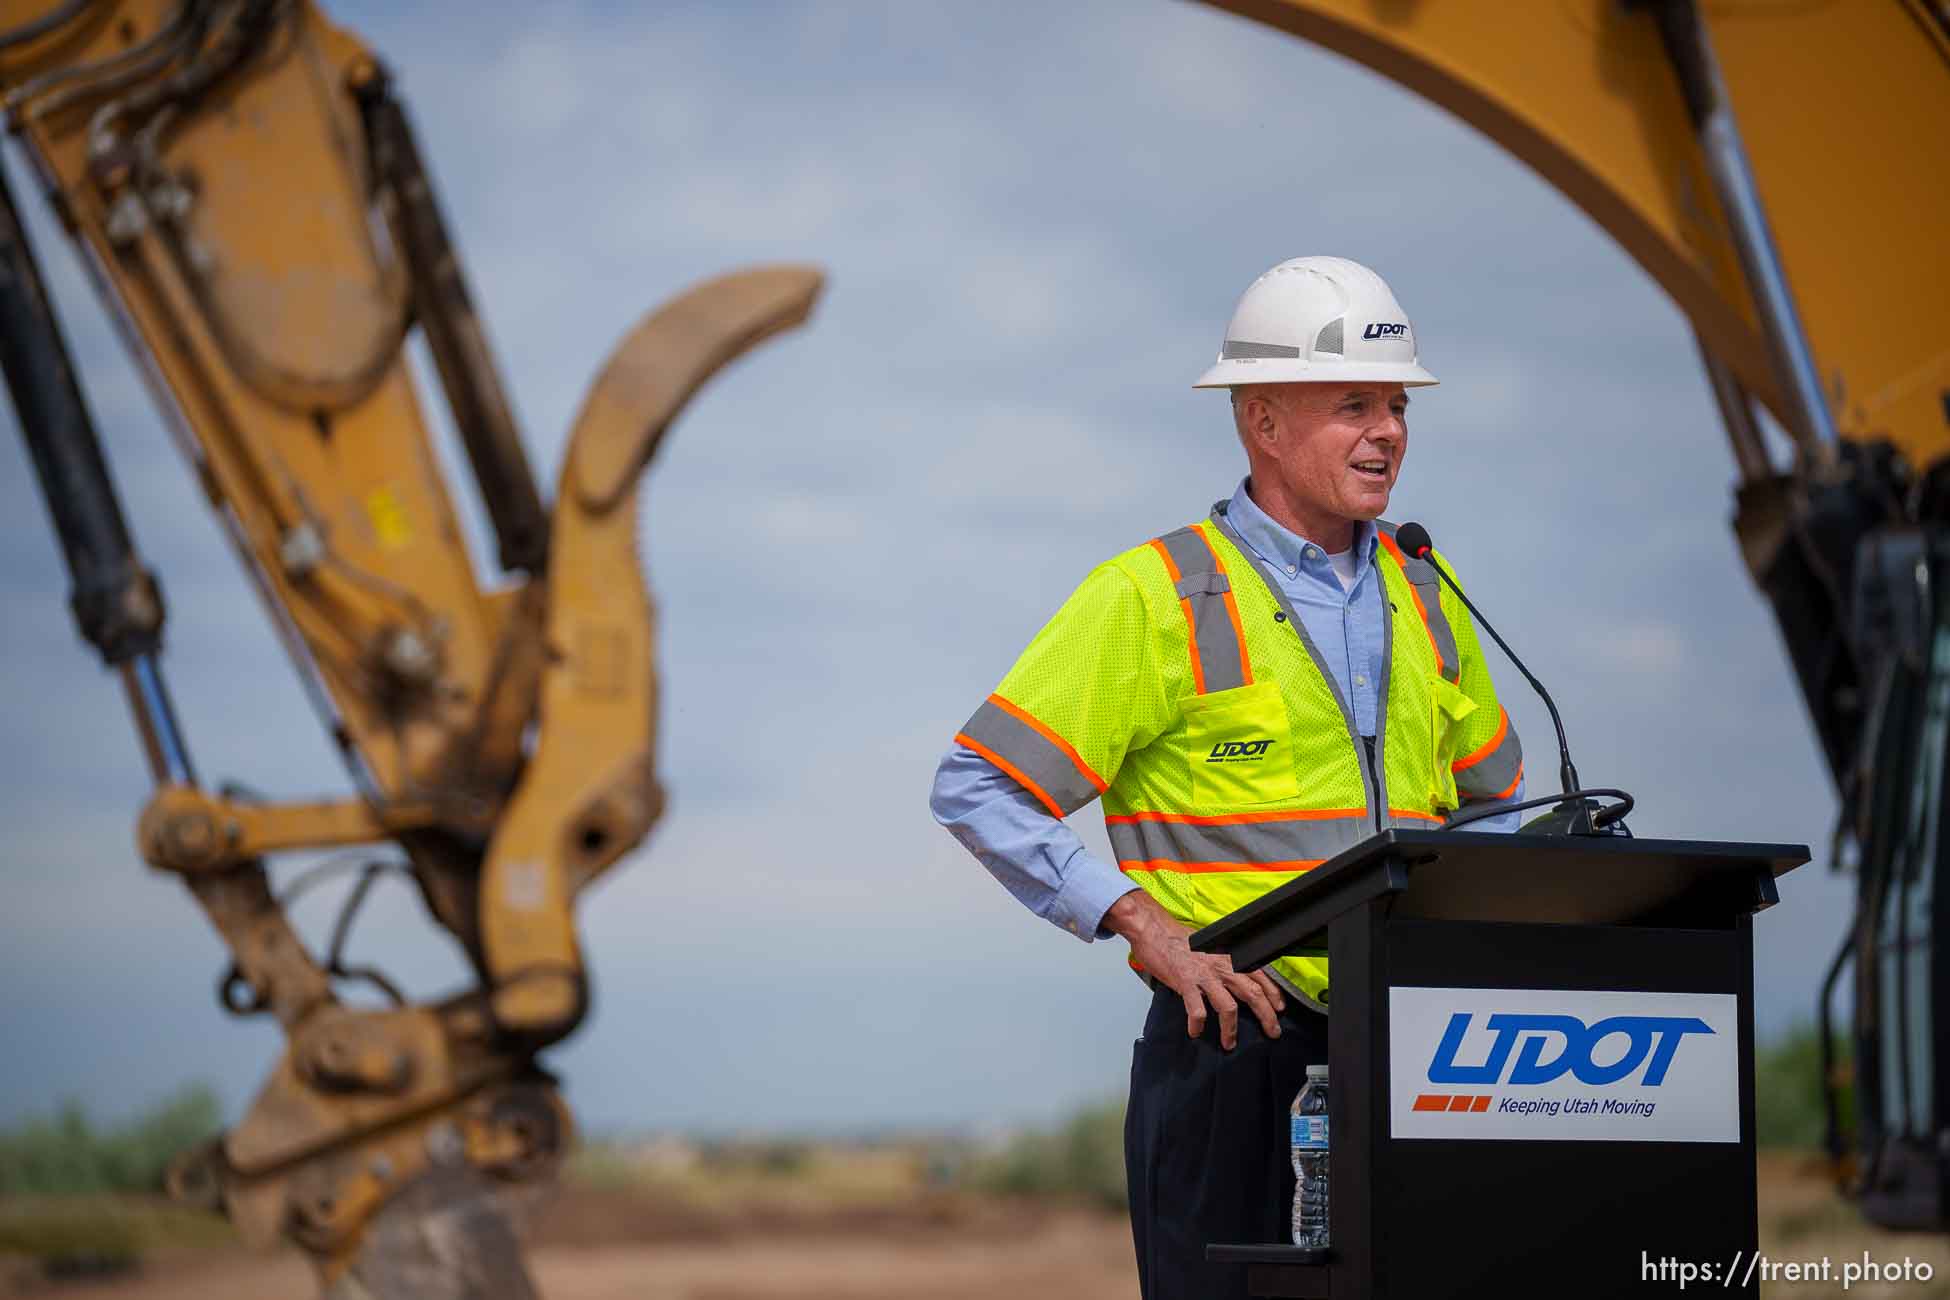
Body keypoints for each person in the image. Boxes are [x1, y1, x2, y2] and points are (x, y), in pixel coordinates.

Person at [929, 256, 1527, 1299]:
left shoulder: (1426, 588)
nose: (1388, 430)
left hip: (1419, 1055)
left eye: (1396, 403)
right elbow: (978, 783)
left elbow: (1501, 804)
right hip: (1233, 1050)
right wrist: (1143, 927)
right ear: (1262, 420)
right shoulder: (1155, 594)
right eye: (1353, 404)